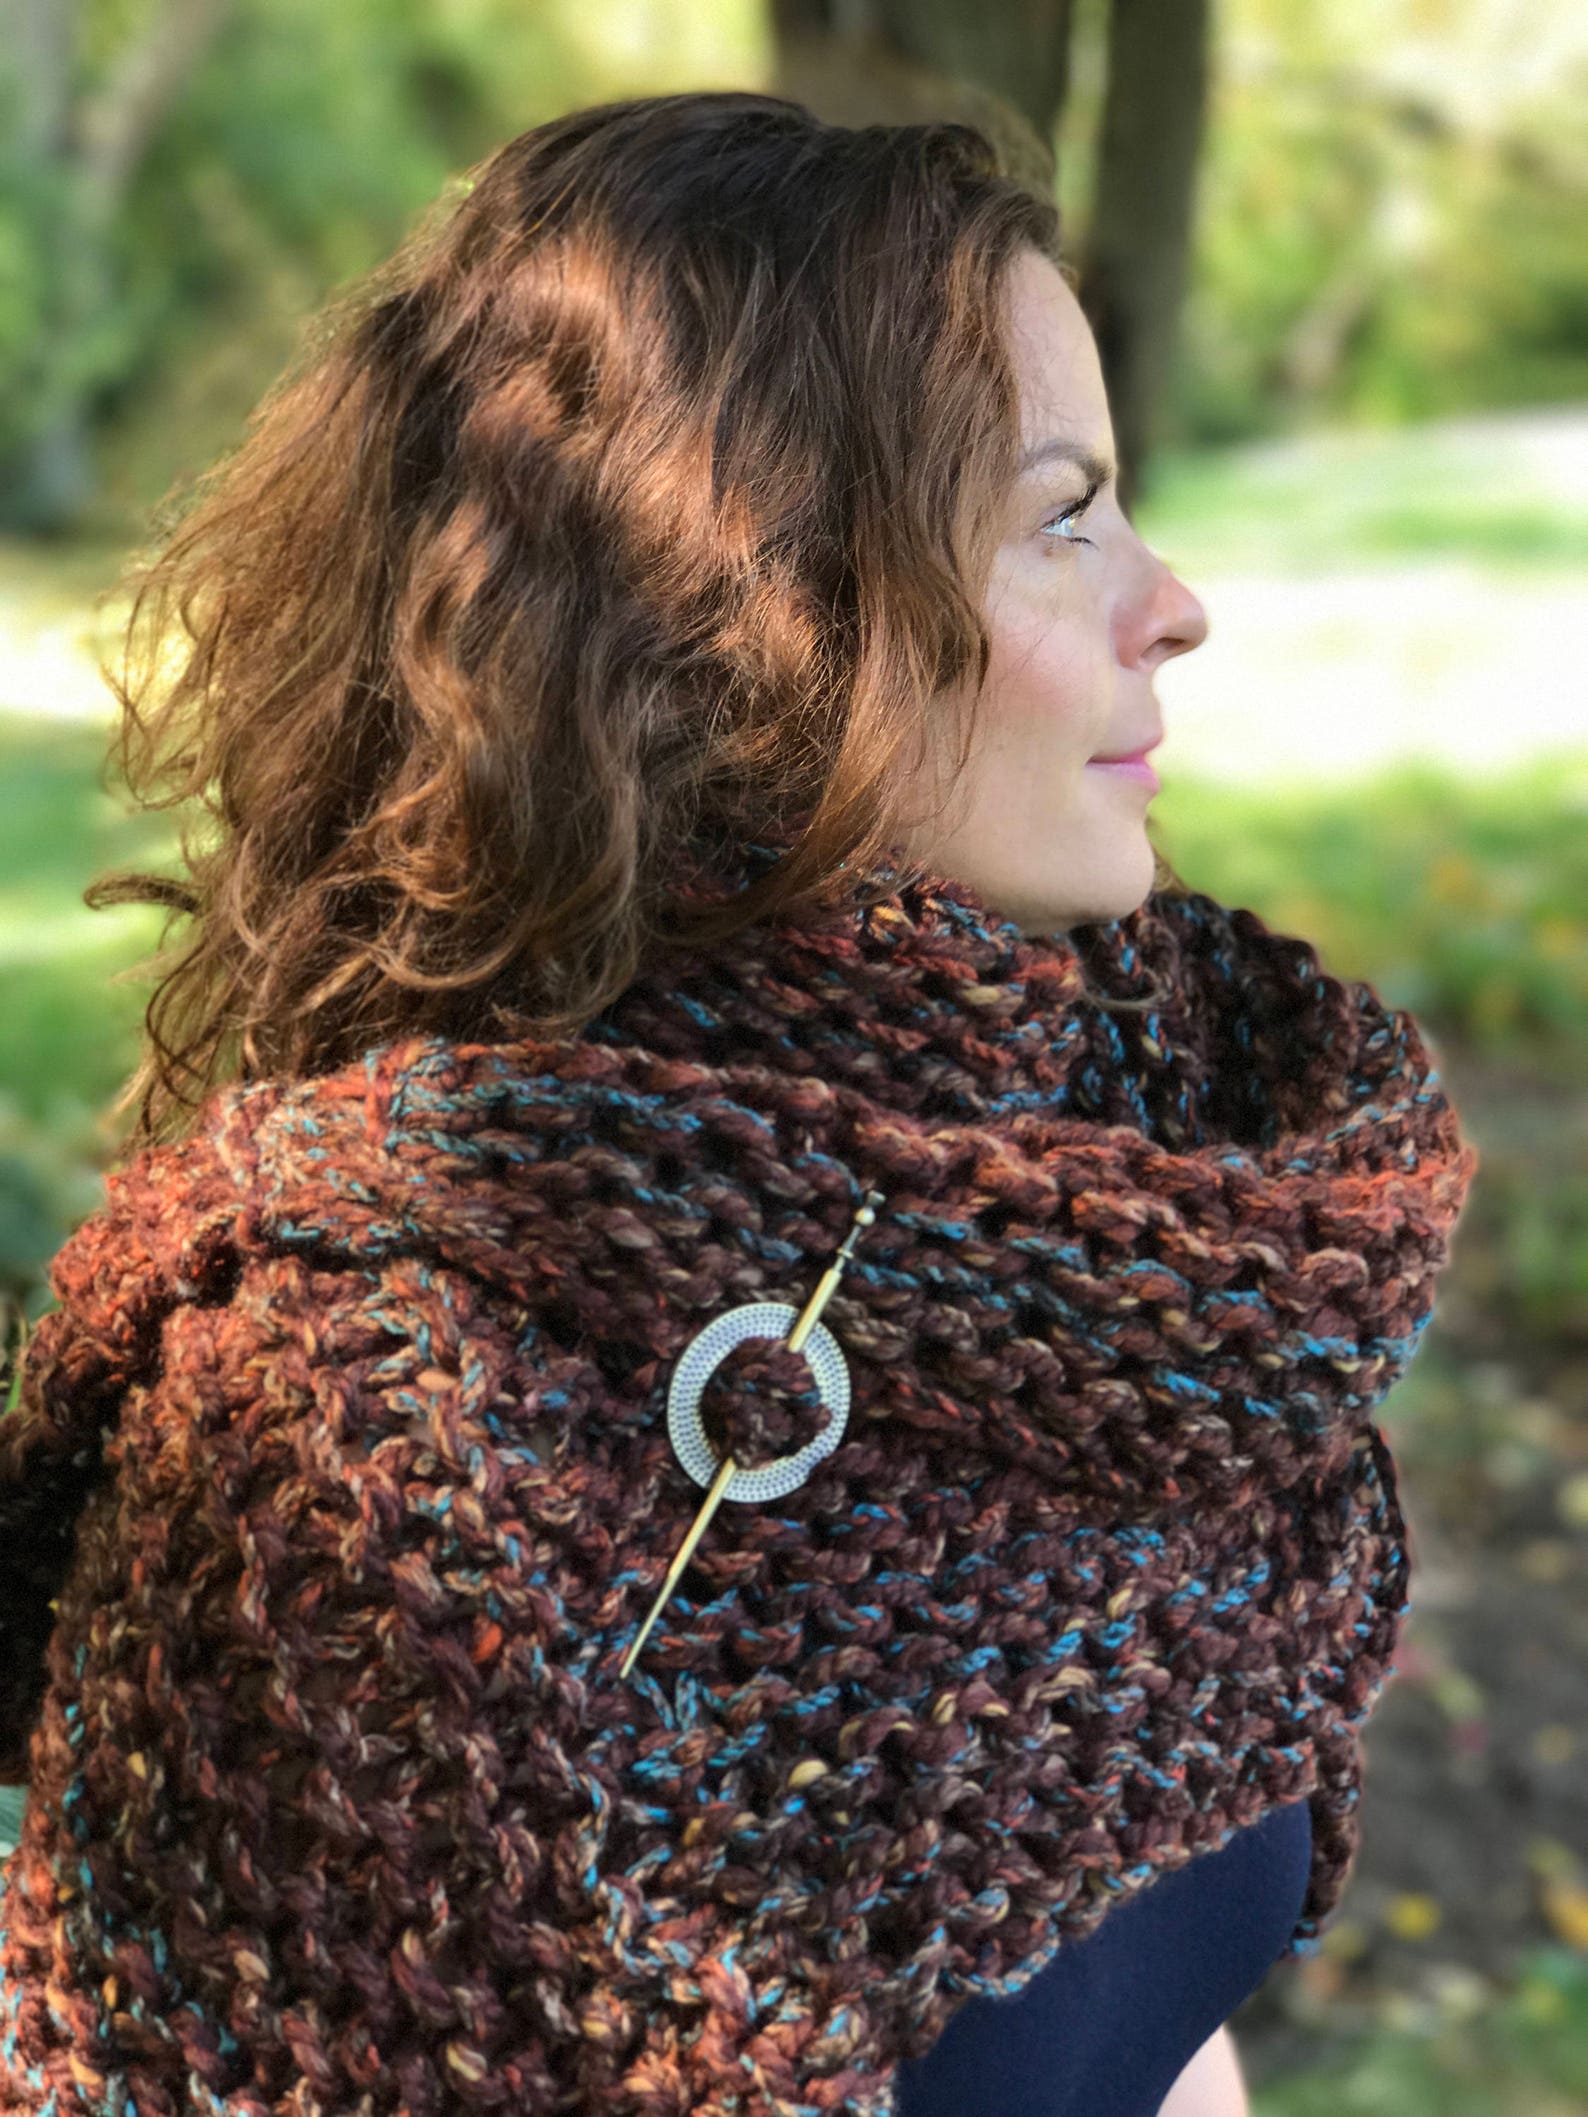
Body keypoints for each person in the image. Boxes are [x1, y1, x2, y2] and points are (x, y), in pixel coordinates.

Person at [0, 92, 1477, 2117]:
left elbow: (1129, 2020)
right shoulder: (363, 1446)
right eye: (1061, 516)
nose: (1173, 602)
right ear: (758, 614)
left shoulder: (1141, 1205)